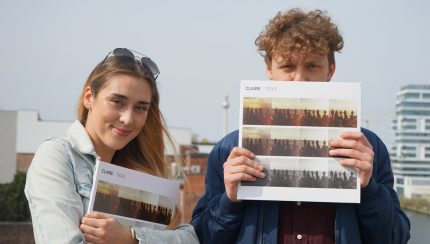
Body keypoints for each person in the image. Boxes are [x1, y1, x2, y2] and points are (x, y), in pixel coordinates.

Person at [191, 9, 410, 244]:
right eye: (287, 66)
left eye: (312, 66)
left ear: (330, 71)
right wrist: (229, 200)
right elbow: (203, 237)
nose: (298, 78)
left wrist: (369, 189)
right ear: (269, 70)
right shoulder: (229, 150)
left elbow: (396, 237)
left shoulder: (367, 149)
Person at [25, 48, 199, 244]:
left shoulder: (143, 172)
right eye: (117, 101)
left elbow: (189, 238)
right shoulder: (58, 157)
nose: (127, 119)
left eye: (140, 107)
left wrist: (132, 238)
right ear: (89, 97)